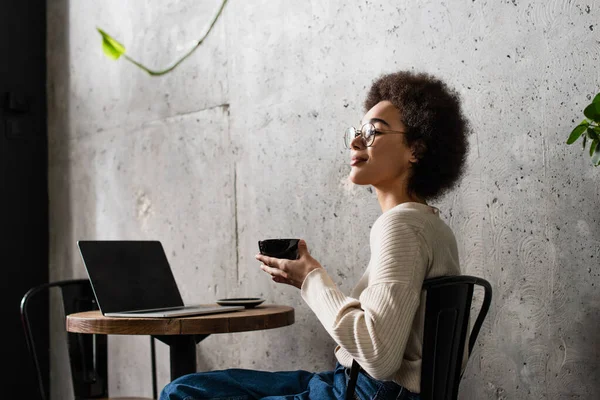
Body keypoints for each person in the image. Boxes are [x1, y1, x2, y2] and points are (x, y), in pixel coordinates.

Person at [159, 70, 470, 400]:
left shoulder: (400, 227)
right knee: (187, 387)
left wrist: (311, 278)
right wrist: (306, 278)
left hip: (367, 391)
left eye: (373, 132)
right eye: (356, 131)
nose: (355, 141)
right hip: (352, 382)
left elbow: (379, 356)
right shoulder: (430, 225)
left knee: (182, 394)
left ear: (416, 151)